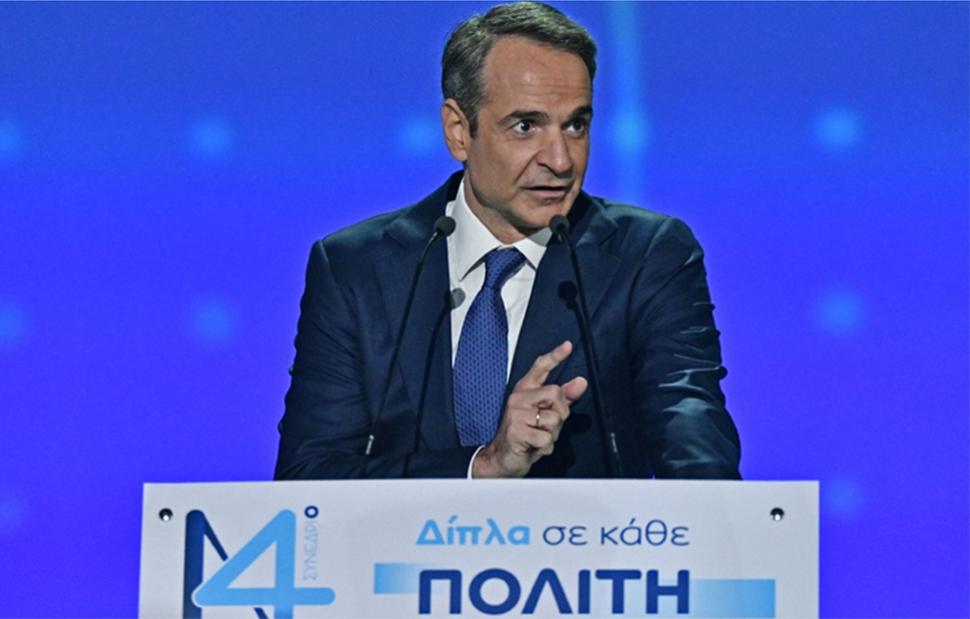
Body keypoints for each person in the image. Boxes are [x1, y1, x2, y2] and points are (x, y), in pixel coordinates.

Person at [274, 2, 741, 480]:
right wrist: (483, 466)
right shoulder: (355, 267)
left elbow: (691, 432)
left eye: (576, 125)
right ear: (459, 132)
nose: (560, 160)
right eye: (526, 126)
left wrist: (718, 514)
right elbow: (310, 475)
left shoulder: (647, 255)